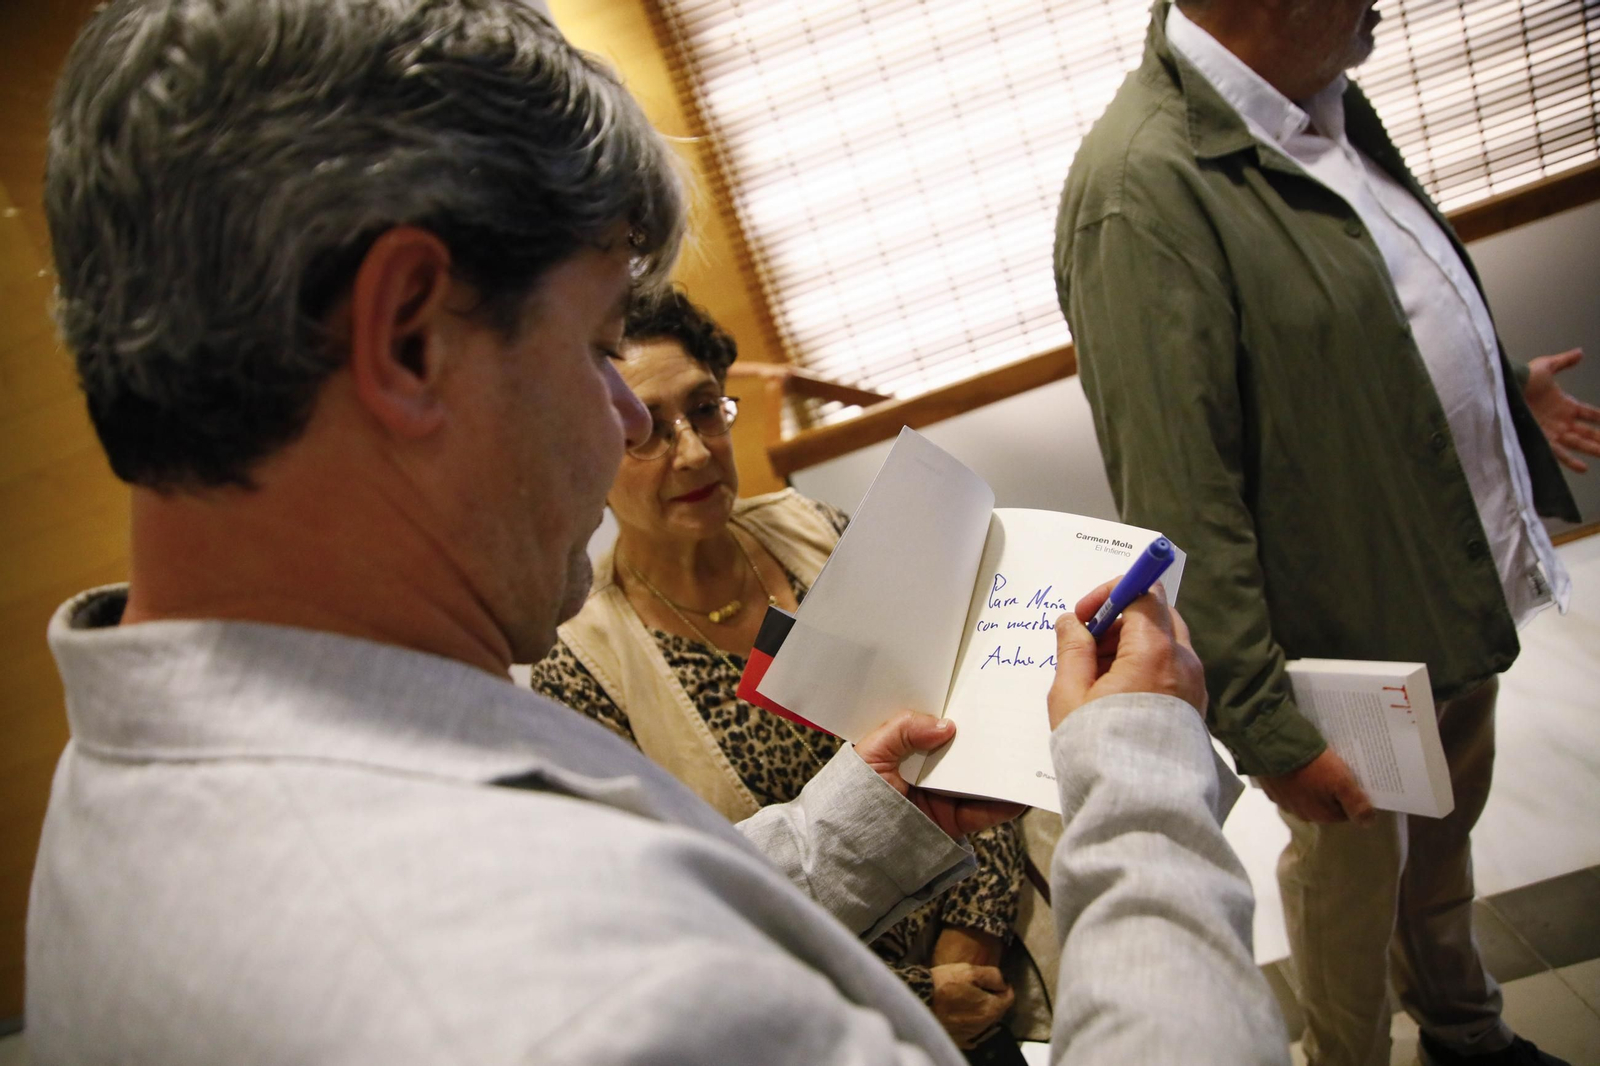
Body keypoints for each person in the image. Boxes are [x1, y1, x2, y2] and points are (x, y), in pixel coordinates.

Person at [27, 1, 1287, 1063]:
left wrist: (867, 821)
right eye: (591, 350)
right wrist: (1135, 781)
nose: (634, 418)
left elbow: (666, 878)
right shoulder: (586, 1007)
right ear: (407, 337)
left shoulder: (139, 768)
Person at [1053, 3, 1600, 1065]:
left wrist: (1494, 384)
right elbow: (1178, 491)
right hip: (1341, 640)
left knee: (1439, 857)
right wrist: (1263, 721)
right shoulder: (1140, 191)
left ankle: (1464, 1030)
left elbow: (1366, 302)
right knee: (1352, 891)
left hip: (1438, 577)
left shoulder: (1312, 95)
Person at [528, 288, 1034, 1051]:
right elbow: (676, 902)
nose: (694, 450)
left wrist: (973, 938)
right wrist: (916, 999)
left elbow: (956, 718)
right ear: (587, 447)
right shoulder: (583, 668)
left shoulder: (817, 533)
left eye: (704, 409)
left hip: (986, 982)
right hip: (813, 1028)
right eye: (649, 434)